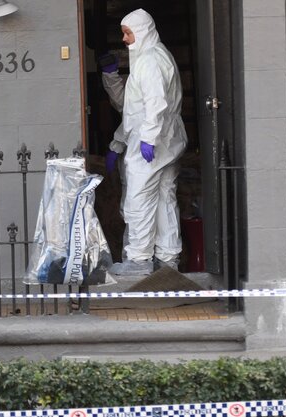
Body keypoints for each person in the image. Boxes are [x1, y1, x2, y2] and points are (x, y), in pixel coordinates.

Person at [99, 8, 187, 275]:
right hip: (167, 143)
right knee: (164, 201)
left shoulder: (149, 61)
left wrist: (146, 139)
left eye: (128, 33)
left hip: (152, 145)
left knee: (138, 202)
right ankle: (168, 260)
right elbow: (132, 108)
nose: (125, 39)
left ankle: (138, 262)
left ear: (143, 31)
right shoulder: (157, 56)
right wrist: (118, 142)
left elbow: (153, 105)